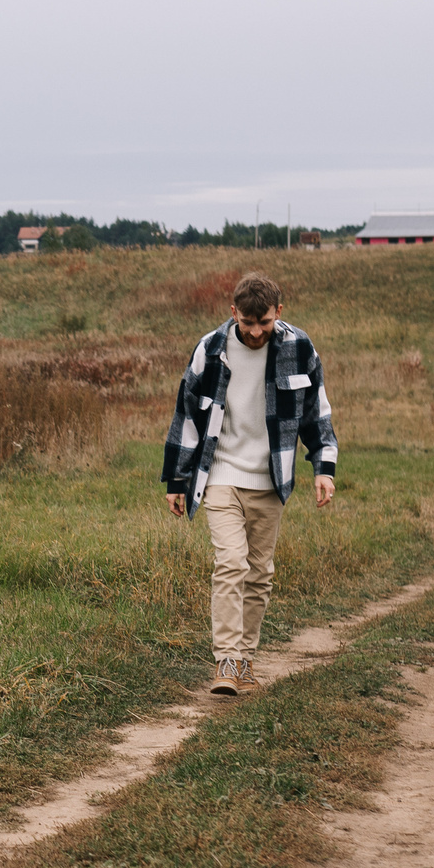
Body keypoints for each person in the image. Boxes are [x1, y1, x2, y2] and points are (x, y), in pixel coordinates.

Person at [160, 272, 337, 695]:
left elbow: (317, 413)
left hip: (270, 479)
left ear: (279, 311)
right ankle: (225, 662)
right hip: (219, 474)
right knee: (231, 563)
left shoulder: (299, 347)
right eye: (248, 323)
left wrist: (324, 469)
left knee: (259, 574)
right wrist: (176, 479)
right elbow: (187, 413)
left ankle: (246, 660)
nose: (256, 333)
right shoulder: (211, 349)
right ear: (233, 311)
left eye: (265, 323)